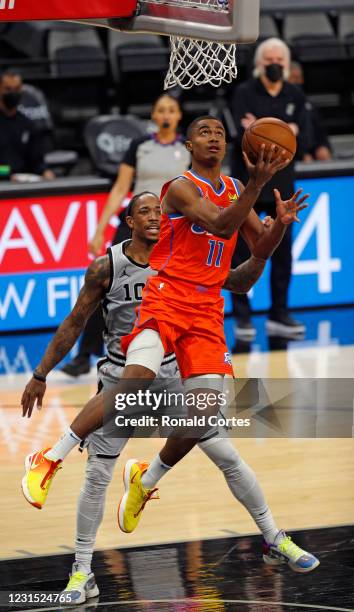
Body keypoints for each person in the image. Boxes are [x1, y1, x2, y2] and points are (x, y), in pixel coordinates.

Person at [21, 116, 318, 576]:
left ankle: (150, 480)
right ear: (188, 144)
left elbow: (257, 253)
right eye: (204, 131)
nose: (214, 136)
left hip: (205, 312)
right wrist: (256, 186)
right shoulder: (180, 189)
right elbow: (221, 226)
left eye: (220, 131)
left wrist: (278, 224)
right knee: (132, 381)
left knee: (208, 418)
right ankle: (52, 462)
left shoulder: (238, 188)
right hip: (169, 297)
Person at [62, 93, 190, 377]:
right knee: (107, 285)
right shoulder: (139, 145)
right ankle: (84, 356)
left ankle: (179, 355)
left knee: (176, 292)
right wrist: (99, 229)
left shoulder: (188, 149)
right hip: (134, 225)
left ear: (179, 115)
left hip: (169, 229)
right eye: (161, 110)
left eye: (171, 110)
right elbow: (120, 188)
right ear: (153, 117)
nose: (166, 115)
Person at [231, 38, 312, 339]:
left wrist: (267, 131)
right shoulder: (243, 92)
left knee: (282, 252)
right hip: (249, 186)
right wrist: (284, 131)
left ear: (287, 63)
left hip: (283, 186)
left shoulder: (296, 94)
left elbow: (302, 141)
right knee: (240, 252)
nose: (274, 64)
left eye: (279, 59)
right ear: (259, 63)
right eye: (269, 59)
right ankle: (243, 318)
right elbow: (245, 140)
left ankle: (280, 312)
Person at [0, 69, 54, 180]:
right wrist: (8, 173)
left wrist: (45, 171)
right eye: (8, 89)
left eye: (17, 89)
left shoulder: (27, 124)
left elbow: (36, 161)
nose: (13, 93)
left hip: (23, 183)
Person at [289, 61, 332, 162]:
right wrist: (301, 154)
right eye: (293, 78)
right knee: (306, 160)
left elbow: (320, 129)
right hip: (295, 151)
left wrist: (323, 146)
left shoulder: (307, 103)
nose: (297, 82)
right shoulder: (283, 102)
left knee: (324, 154)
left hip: (314, 147)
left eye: (298, 78)